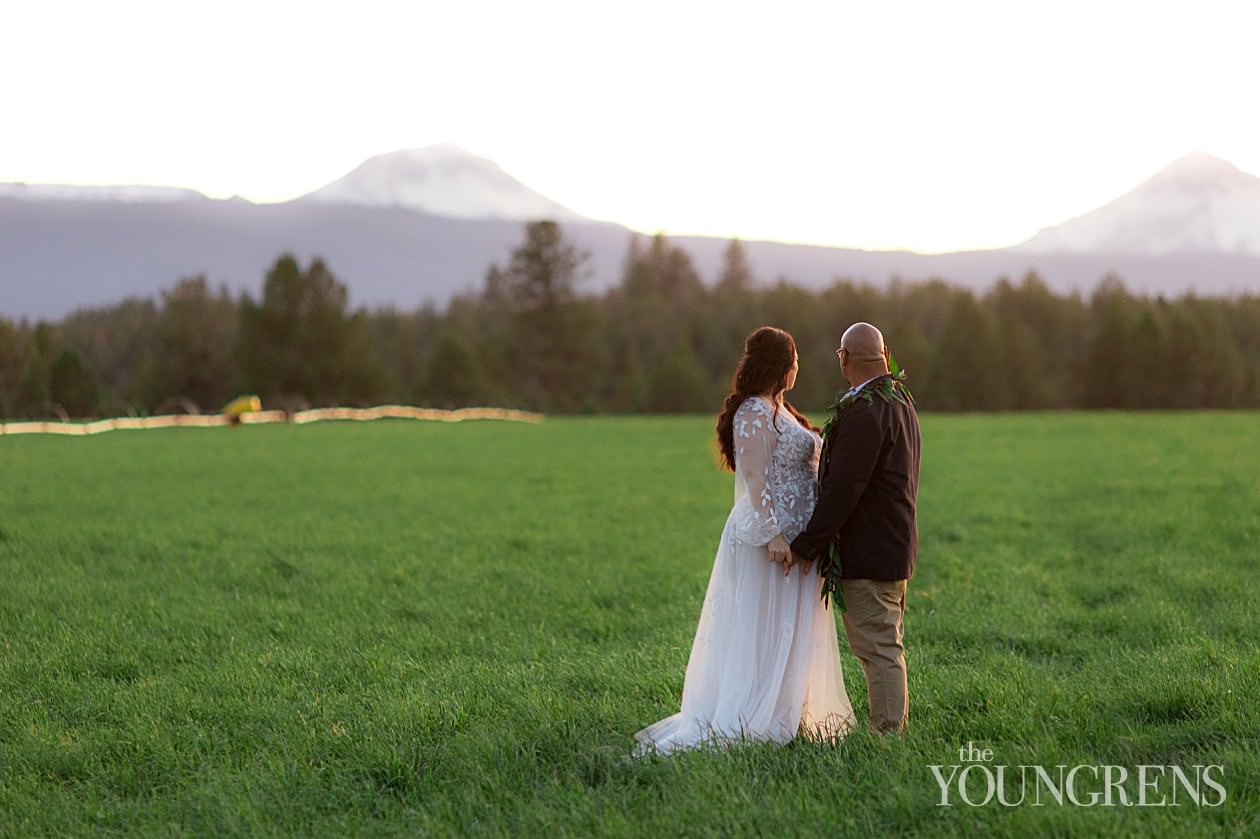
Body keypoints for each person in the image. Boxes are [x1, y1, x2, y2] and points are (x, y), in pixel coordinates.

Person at [634, 326, 854, 755]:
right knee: (763, 626)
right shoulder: (753, 411)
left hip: (800, 540)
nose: (798, 368)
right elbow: (754, 478)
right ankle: (754, 716)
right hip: (767, 539)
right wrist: (774, 535)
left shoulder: (781, 409)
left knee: (792, 627)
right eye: (794, 360)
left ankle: (788, 712)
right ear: (781, 365)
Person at [788, 322, 921, 734]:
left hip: (870, 550)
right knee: (885, 644)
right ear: (884, 353)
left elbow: (845, 488)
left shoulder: (866, 410)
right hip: (894, 544)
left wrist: (807, 544)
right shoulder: (898, 400)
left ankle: (886, 739)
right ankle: (890, 731)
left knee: (878, 648)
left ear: (845, 359)